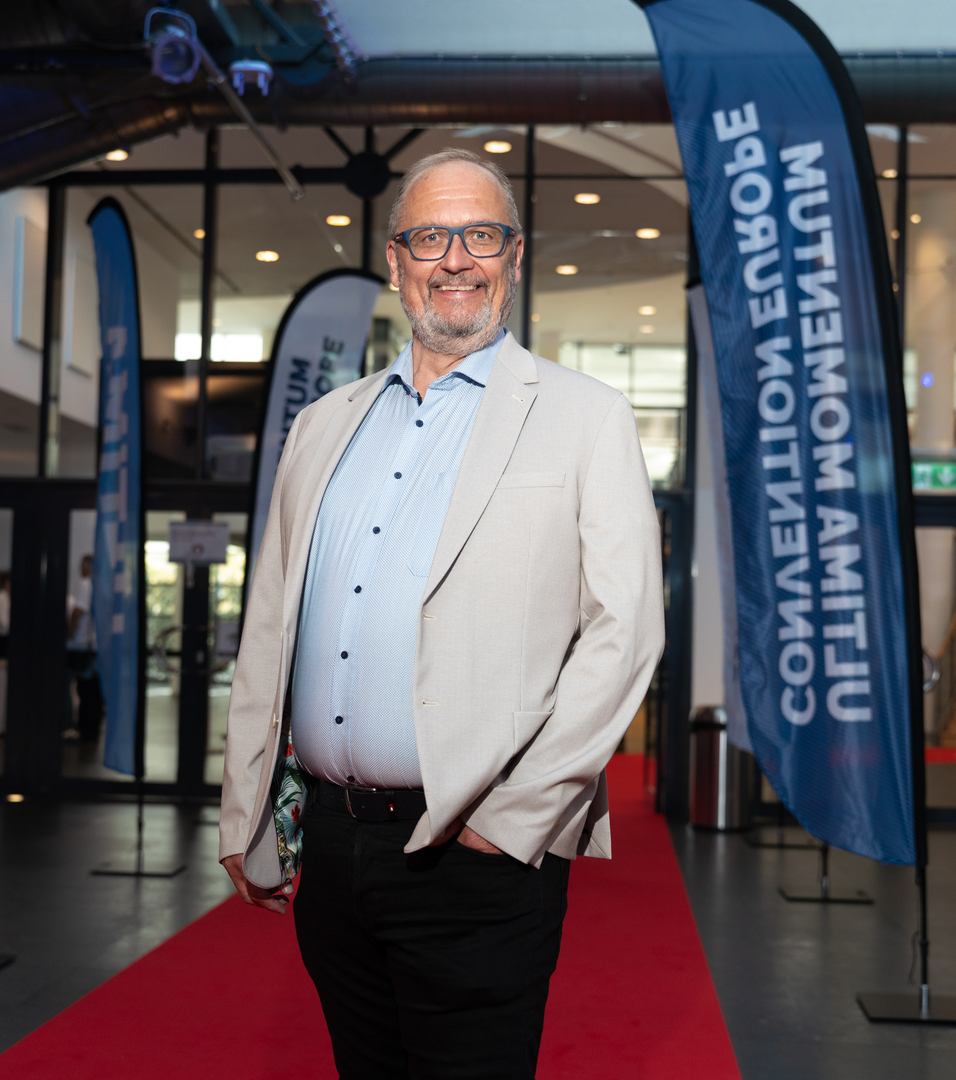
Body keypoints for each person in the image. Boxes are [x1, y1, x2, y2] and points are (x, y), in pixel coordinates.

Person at [219, 148, 665, 1079]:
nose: (454, 258)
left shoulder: (586, 417)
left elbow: (624, 634)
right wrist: (248, 812)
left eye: (480, 235)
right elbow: (270, 628)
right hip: (331, 845)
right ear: (396, 262)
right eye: (429, 237)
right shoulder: (321, 425)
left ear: (514, 256)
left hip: (477, 851)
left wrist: (513, 818)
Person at [66, 554, 103, 743]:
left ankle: (84, 730)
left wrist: (69, 634)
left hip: (83, 645)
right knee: (93, 690)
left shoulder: (87, 583)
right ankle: (92, 730)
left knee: (84, 689)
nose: (80, 570)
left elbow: (77, 612)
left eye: (82, 566)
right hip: (96, 645)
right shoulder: (103, 584)